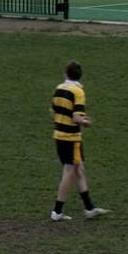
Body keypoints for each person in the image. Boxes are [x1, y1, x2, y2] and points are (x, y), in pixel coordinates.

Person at [49, 60, 106, 220]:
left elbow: (52, 112)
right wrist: (86, 122)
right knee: (69, 172)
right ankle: (57, 211)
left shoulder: (59, 88)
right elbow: (76, 118)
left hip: (59, 135)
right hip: (71, 138)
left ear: (66, 73)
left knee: (79, 169)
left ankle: (89, 208)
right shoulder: (78, 91)